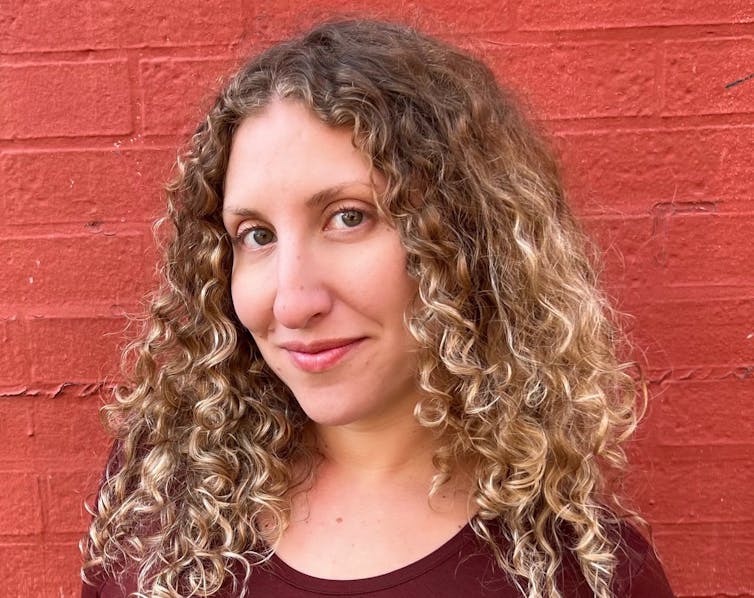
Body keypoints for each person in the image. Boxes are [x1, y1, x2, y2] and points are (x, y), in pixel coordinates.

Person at [80, 19, 675, 598]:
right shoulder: (162, 504)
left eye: (348, 217)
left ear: (467, 239)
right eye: (257, 235)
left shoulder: (575, 571)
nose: (292, 302)